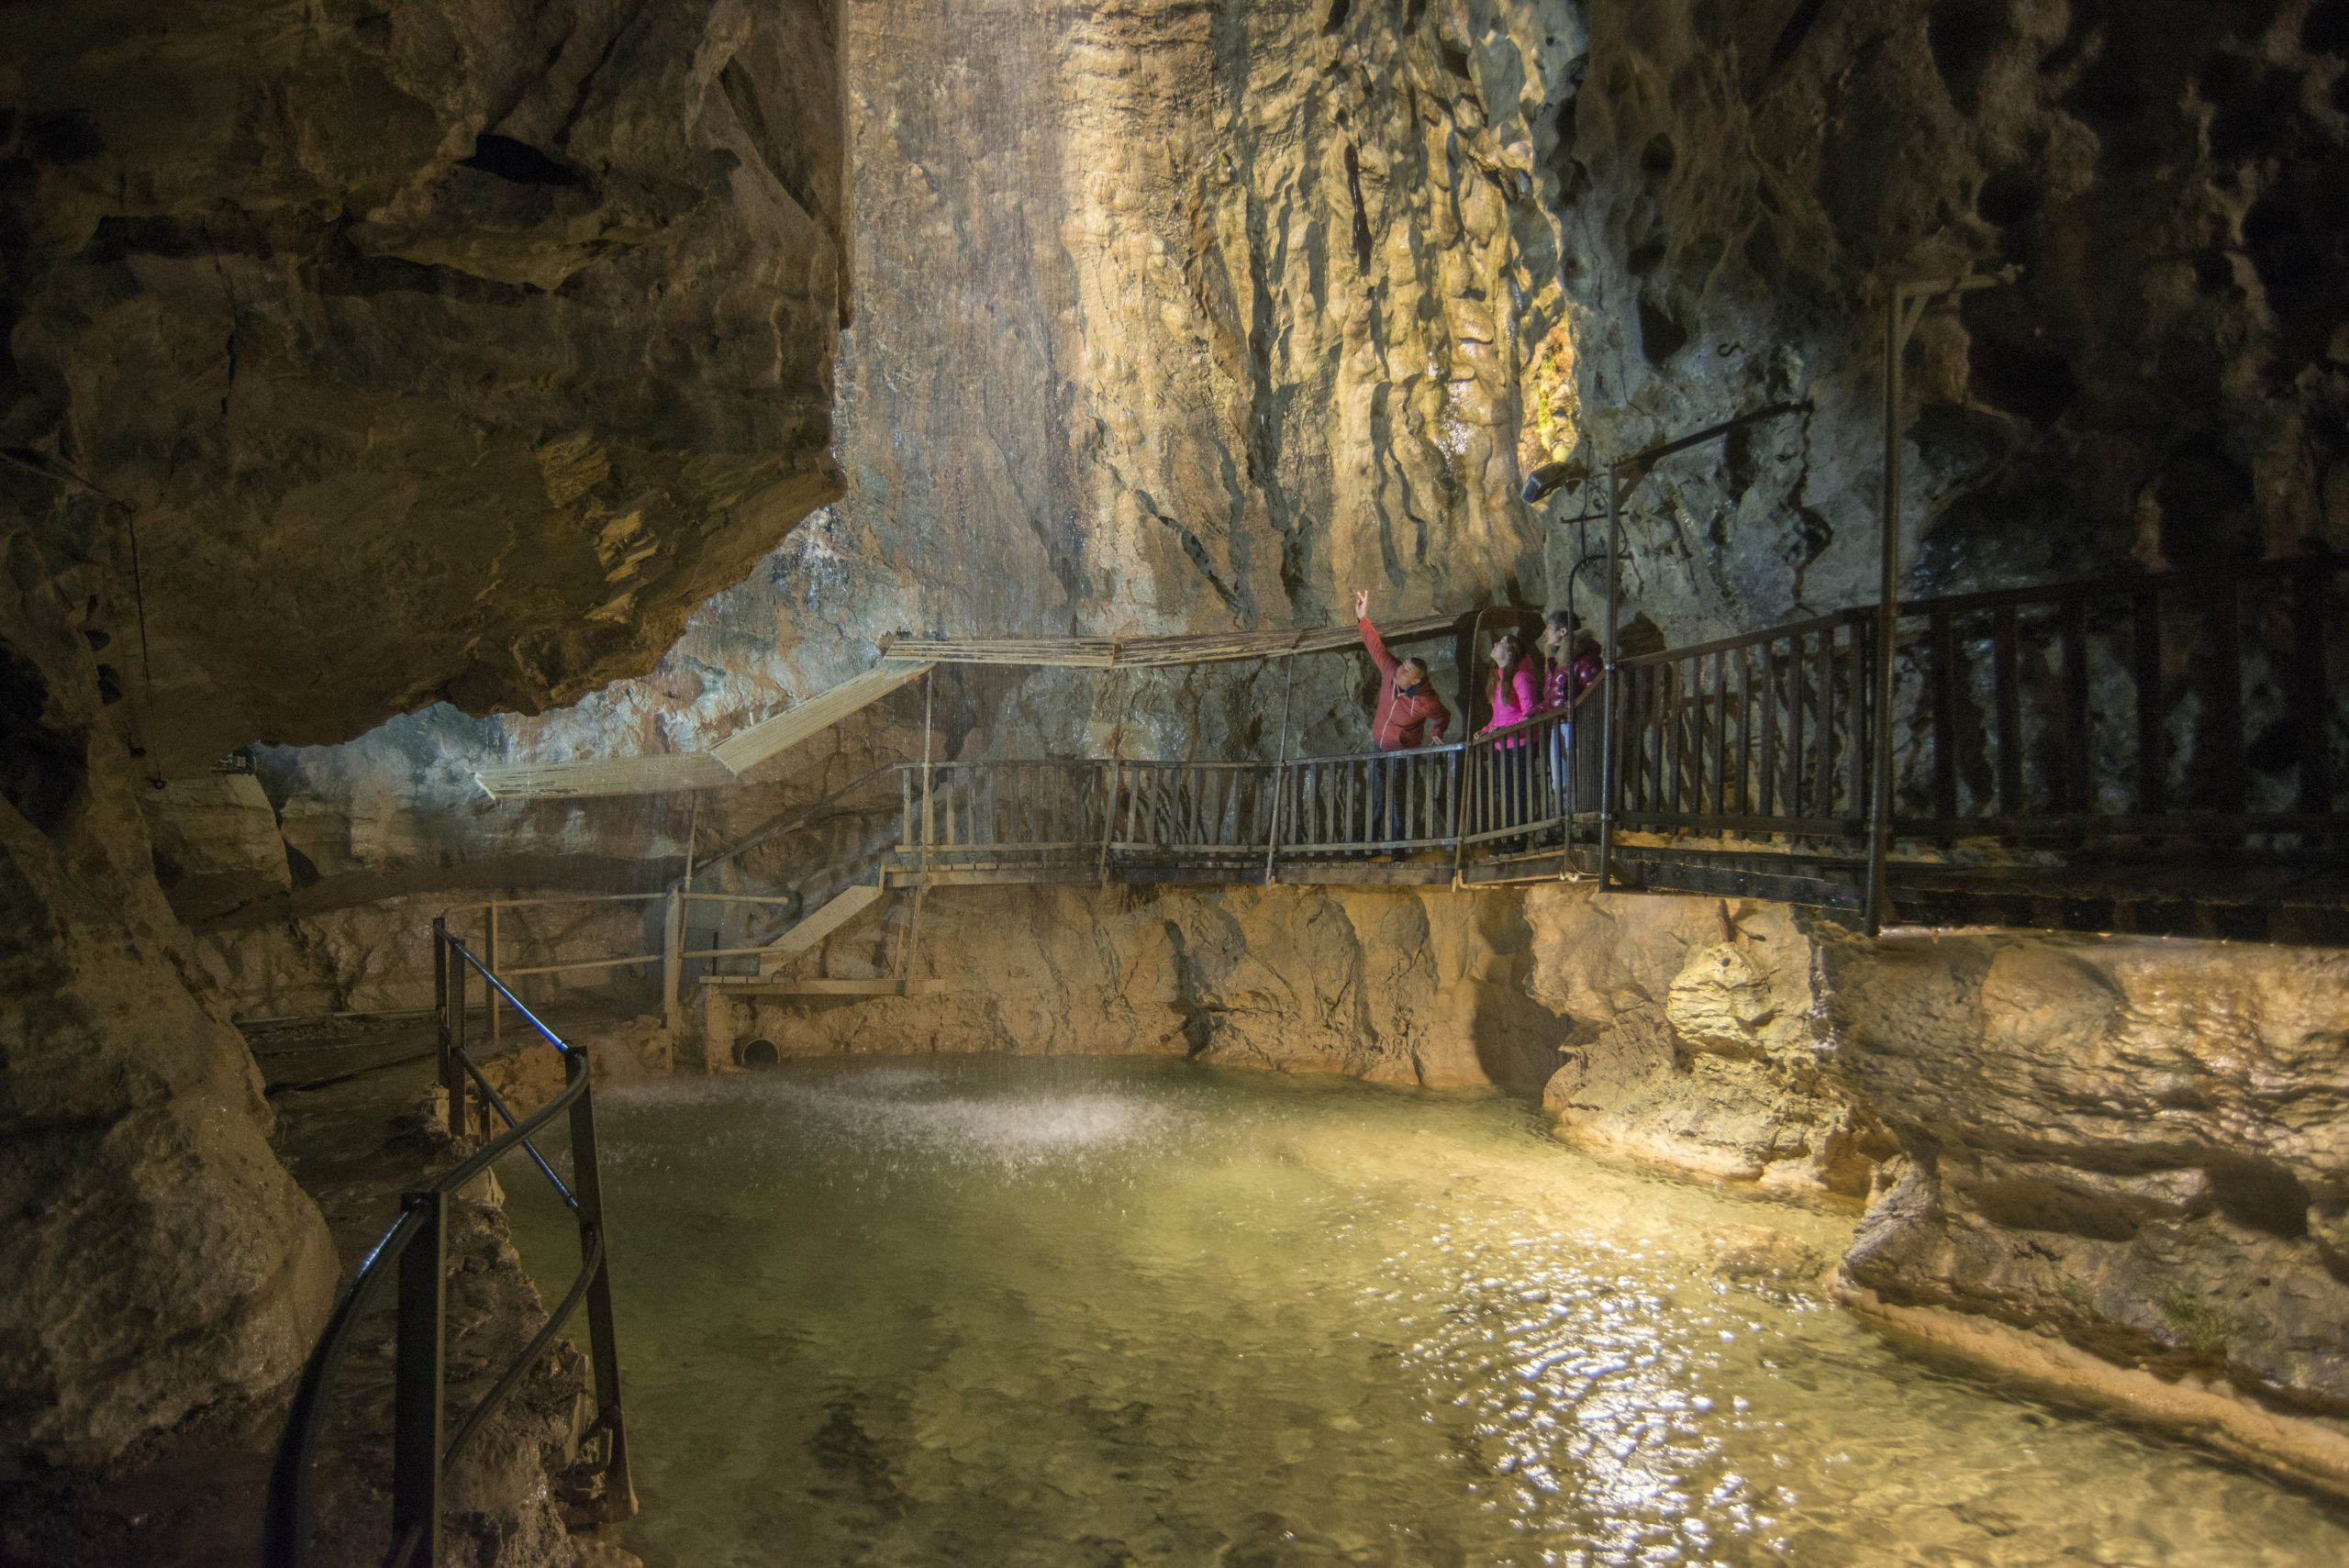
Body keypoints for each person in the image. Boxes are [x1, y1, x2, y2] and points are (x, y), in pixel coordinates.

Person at [1355, 589, 1450, 857]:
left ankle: (1397, 848)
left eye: (1407, 671)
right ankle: (1369, 847)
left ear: (1416, 681)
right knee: (1376, 796)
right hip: (1378, 746)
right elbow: (1376, 646)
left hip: (1402, 753)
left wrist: (1436, 731)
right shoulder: (1389, 672)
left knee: (1397, 799)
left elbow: (1443, 715)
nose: (1401, 670)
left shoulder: (1425, 701)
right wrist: (1363, 618)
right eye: (1404, 665)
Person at [1476, 631, 1540, 838]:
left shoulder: (1520, 677)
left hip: (1520, 743)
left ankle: (1519, 837)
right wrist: (1485, 731)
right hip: (1502, 744)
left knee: (1517, 792)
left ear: (1511, 652)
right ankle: (1510, 836)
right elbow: (1499, 718)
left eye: (1503, 642)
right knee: (1506, 792)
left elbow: (1529, 714)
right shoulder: (1499, 678)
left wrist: (1502, 730)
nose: (1496, 643)